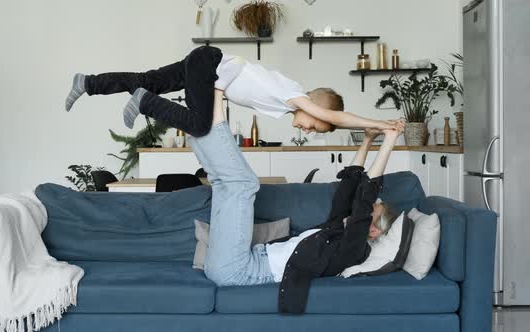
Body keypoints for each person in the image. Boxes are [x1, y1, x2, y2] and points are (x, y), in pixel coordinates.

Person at [187, 88, 405, 314]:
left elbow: (365, 195)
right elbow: (350, 185)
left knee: (242, 184)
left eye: (371, 212)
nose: (363, 209)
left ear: (374, 232)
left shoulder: (353, 250)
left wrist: (389, 140)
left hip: (239, 270)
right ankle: (192, 119)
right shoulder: (336, 231)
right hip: (242, 259)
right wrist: (368, 139)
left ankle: (212, 100)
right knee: (222, 184)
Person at [65, 45, 399, 135]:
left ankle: (87, 83)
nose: (308, 128)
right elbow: (335, 117)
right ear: (314, 105)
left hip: (205, 62)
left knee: (148, 77)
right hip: (210, 65)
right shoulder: (293, 94)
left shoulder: (284, 104)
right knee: (200, 124)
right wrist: (380, 125)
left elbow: (245, 71)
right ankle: (145, 103)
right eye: (314, 124)